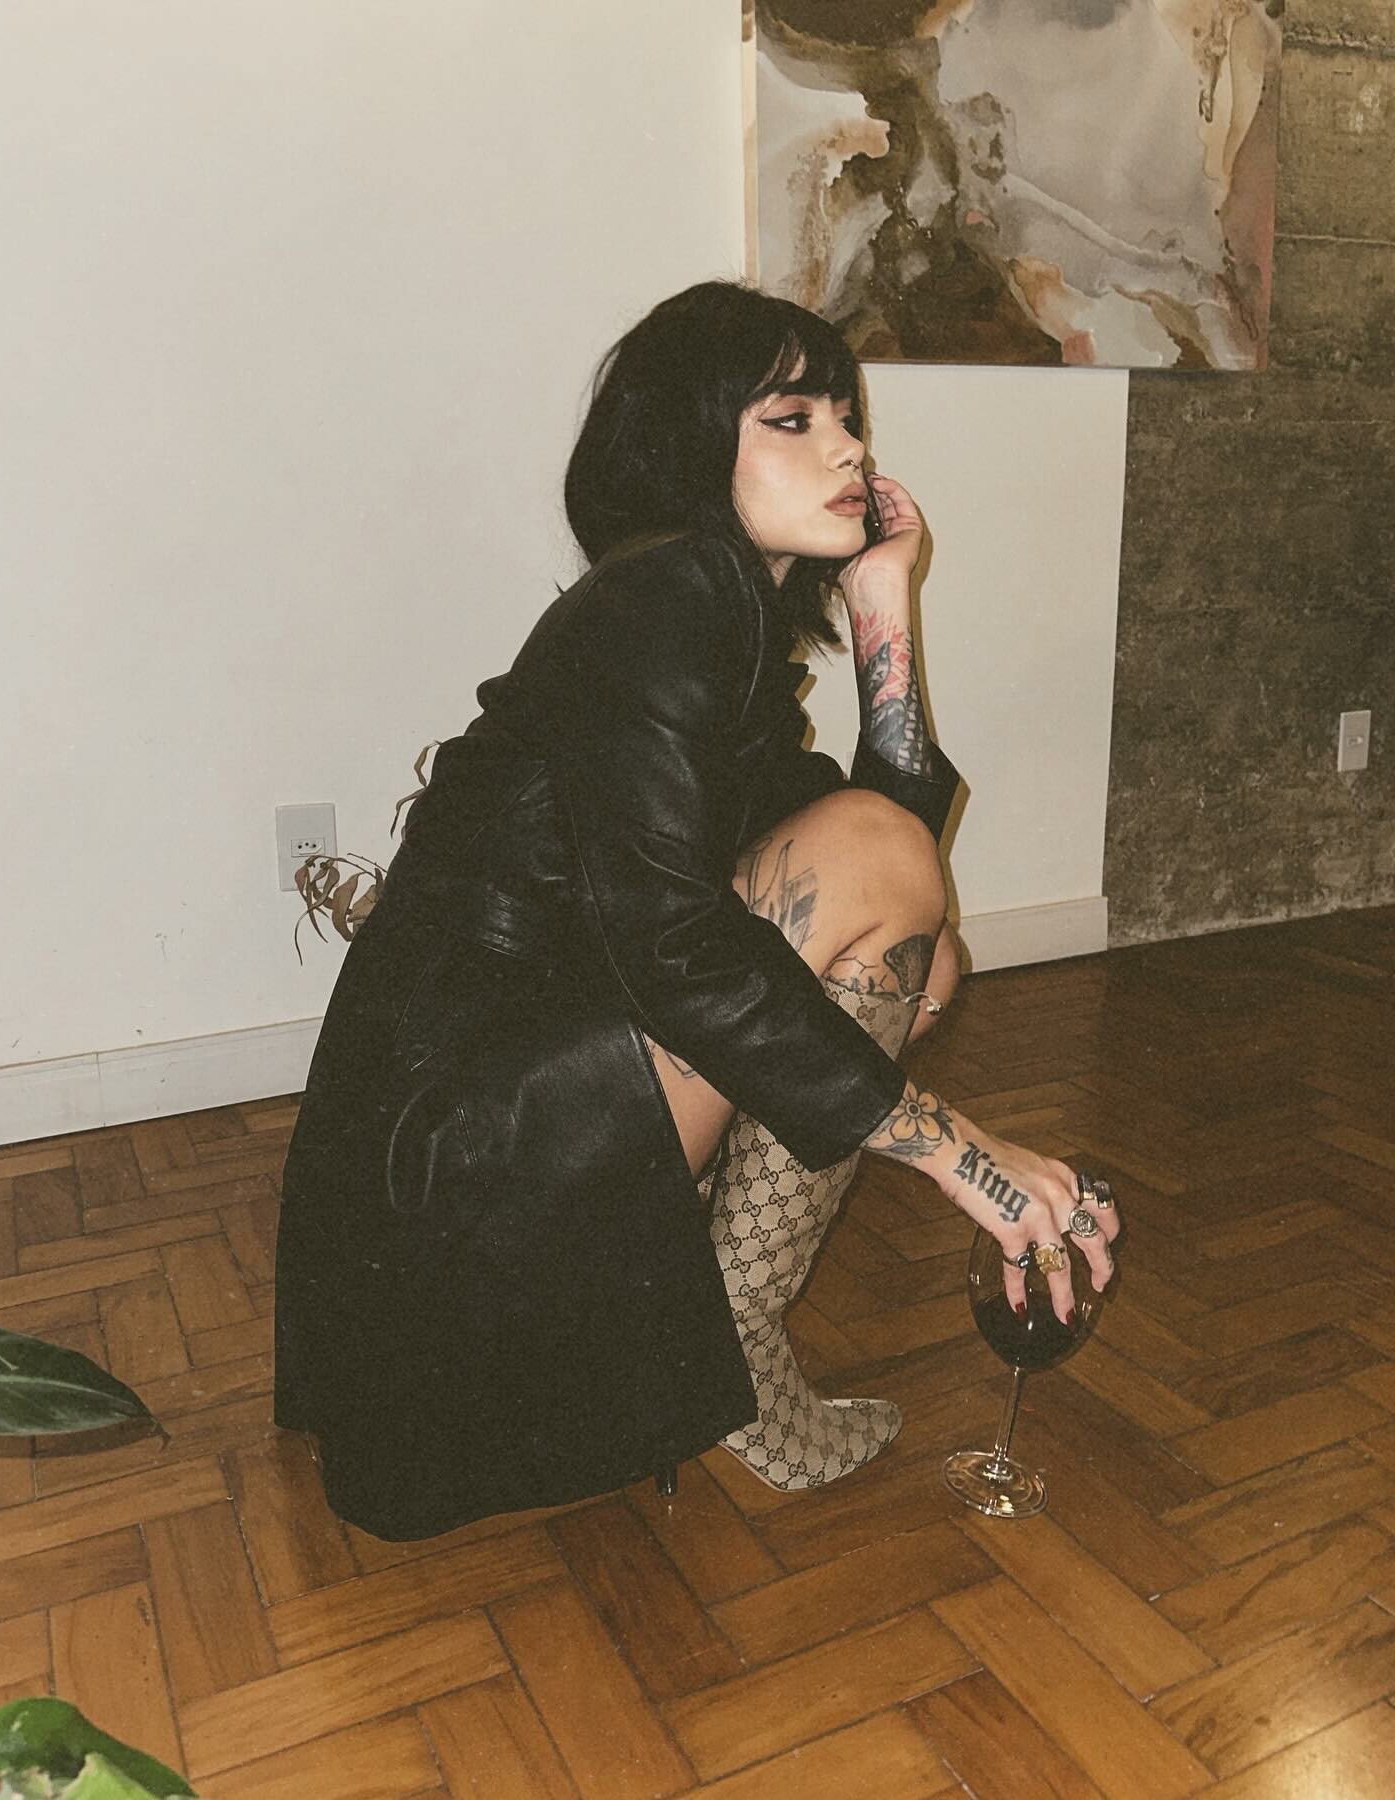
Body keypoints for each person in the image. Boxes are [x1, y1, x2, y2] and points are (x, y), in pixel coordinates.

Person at [272, 280, 1120, 1541]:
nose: (848, 448)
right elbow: (693, 932)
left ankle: (720, 1323)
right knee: (881, 896)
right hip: (459, 1151)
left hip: (480, 1116)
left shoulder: (712, 616)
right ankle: (739, 1347)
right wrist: (965, 1159)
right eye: (793, 419)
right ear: (685, 444)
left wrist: (883, 601)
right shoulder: (672, 593)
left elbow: (891, 863)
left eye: (848, 417)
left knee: (925, 957)